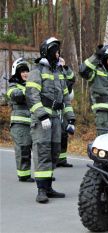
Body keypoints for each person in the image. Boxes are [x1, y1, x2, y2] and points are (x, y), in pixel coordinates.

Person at [26, 37, 75, 203]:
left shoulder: (59, 72)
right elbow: (32, 96)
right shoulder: (36, 71)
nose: (58, 54)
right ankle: (41, 190)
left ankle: (48, 186)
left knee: (54, 152)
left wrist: (71, 119)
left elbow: (65, 98)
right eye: (56, 51)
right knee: (42, 152)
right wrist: (42, 115)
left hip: (56, 120)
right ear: (48, 52)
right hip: (42, 121)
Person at [6, 58, 33, 182]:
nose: (25, 74)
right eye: (22, 71)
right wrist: (29, 91)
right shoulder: (13, 85)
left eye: (27, 71)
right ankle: (24, 175)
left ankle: (43, 177)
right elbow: (16, 96)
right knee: (23, 149)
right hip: (20, 125)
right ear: (17, 73)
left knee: (41, 150)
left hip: (34, 123)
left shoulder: (32, 84)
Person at [57, 57, 75, 168]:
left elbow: (72, 79)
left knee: (64, 134)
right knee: (53, 135)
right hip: (52, 107)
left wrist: (65, 67)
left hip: (64, 106)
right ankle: (52, 159)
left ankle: (62, 159)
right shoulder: (49, 71)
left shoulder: (64, 72)